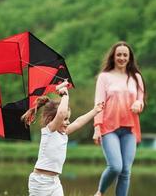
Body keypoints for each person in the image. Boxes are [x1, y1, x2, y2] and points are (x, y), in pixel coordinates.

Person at [21, 83, 103, 196]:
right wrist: (65, 95)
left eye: (68, 119)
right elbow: (61, 113)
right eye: (65, 119)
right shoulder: (49, 130)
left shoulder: (63, 133)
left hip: (54, 181)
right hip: (40, 182)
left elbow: (78, 122)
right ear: (51, 119)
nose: (68, 122)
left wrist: (95, 111)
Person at [93, 41, 147, 196]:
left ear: (130, 58)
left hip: (130, 128)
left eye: (125, 55)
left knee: (125, 171)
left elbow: (141, 99)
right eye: (119, 55)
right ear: (113, 56)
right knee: (116, 166)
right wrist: (97, 127)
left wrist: (138, 103)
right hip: (109, 127)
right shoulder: (104, 77)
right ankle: (100, 192)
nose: (122, 58)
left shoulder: (136, 78)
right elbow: (99, 103)